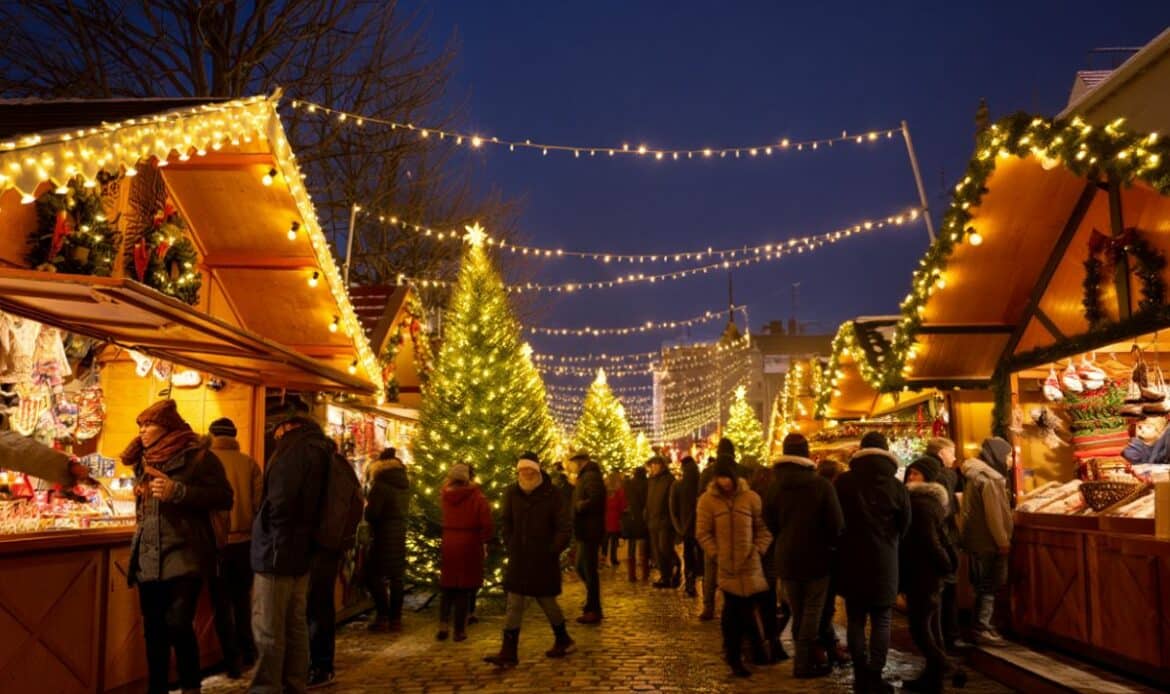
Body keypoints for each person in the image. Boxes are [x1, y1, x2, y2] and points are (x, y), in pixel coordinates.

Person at [124, 400, 233, 694]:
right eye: (141, 425)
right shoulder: (142, 460)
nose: (143, 431)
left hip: (186, 552)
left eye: (149, 425)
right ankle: (157, 688)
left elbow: (224, 497)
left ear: (168, 427)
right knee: (154, 630)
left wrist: (179, 491)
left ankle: (190, 686)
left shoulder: (199, 458)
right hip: (149, 553)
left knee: (178, 623)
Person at [251, 400, 333, 694]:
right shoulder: (321, 449)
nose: (275, 434)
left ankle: (265, 687)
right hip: (303, 551)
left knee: (269, 627)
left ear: (287, 425)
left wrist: (270, 535)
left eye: (276, 428)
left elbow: (281, 503)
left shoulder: (292, 452)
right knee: (296, 624)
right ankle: (294, 683)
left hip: (278, 550)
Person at [834, 432, 911, 694]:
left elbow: (835, 521)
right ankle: (875, 674)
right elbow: (905, 523)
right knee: (882, 619)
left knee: (855, 618)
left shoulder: (844, 482)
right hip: (884, 560)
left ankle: (860, 673)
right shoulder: (895, 485)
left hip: (851, 559)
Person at [484, 453, 575, 668]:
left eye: (530, 470)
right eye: (522, 470)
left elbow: (564, 527)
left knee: (546, 600)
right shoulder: (512, 492)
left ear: (537, 470)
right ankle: (508, 652)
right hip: (519, 557)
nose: (526, 473)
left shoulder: (552, 494)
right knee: (514, 603)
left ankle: (563, 639)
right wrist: (510, 541)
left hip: (543, 557)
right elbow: (506, 520)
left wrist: (552, 549)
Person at [766, 433, 843, 679]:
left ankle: (804, 659)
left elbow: (769, 519)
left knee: (799, 611)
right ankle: (803, 663)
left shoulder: (774, 485)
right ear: (806, 453)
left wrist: (784, 536)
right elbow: (836, 523)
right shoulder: (820, 484)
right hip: (817, 555)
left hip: (787, 556)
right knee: (813, 611)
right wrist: (830, 543)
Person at [696, 458, 775, 678]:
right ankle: (734, 656)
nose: (725, 482)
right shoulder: (707, 501)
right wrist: (716, 553)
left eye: (727, 477)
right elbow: (702, 533)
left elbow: (763, 529)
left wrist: (758, 550)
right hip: (726, 567)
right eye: (720, 477)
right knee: (732, 613)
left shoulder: (751, 498)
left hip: (749, 564)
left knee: (747, 608)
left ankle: (754, 651)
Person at [206, 417, 262, 679]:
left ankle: (231, 660)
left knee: (221, 603)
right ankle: (249, 651)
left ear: (212, 434)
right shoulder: (248, 462)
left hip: (216, 542)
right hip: (245, 542)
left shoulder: (204, 460)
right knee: (242, 600)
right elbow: (260, 501)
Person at [900, 458, 956, 693]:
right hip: (929, 572)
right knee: (933, 627)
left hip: (922, 572)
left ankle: (947, 667)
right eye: (910, 473)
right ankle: (933, 680)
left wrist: (943, 565)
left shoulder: (919, 504)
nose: (911, 478)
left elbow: (929, 541)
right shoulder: (932, 501)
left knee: (919, 628)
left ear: (928, 477)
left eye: (916, 474)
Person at [960, 437, 1014, 645]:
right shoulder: (990, 479)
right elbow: (994, 514)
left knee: (983, 584)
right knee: (990, 584)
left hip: (977, 539)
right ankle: (982, 627)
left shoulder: (974, 476)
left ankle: (981, 626)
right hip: (988, 540)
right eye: (1008, 455)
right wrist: (1002, 540)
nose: (1010, 460)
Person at [914, 437, 963, 650]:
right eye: (952, 452)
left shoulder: (932, 474)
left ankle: (940, 647)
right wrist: (947, 557)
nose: (954, 457)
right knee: (943, 596)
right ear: (942, 452)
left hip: (935, 548)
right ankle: (945, 644)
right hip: (941, 546)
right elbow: (944, 516)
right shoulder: (943, 475)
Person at [438, 462, 493, 641]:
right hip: (469, 543)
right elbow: (487, 523)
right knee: (464, 588)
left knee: (448, 587)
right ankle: (459, 630)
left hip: (449, 542)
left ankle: (443, 625)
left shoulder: (445, 496)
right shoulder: (478, 497)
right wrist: (485, 540)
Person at [364, 448, 410, 632]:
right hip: (399, 533)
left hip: (382, 534)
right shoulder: (403, 484)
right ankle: (396, 619)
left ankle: (383, 616)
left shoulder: (381, 485)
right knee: (396, 577)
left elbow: (372, 514)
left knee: (372, 575)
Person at [815, 455, 851, 668]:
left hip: (816, 555)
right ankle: (824, 647)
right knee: (824, 607)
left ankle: (826, 646)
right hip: (828, 556)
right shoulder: (831, 493)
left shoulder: (817, 491)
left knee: (821, 607)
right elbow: (837, 526)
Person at [568, 451, 606, 624]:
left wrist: (579, 506)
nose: (571, 465)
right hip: (585, 530)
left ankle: (594, 608)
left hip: (590, 530)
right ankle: (591, 602)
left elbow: (597, 499)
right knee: (581, 567)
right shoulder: (584, 476)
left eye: (573, 462)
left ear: (579, 462)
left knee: (588, 569)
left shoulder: (590, 476)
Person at [669, 456, 701, 597]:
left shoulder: (678, 485)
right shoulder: (701, 484)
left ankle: (689, 583)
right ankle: (699, 581)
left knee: (688, 556)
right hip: (700, 527)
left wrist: (678, 527)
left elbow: (673, 509)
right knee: (700, 556)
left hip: (685, 528)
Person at [645, 455, 678, 588]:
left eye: (656, 464)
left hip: (665, 520)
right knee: (657, 551)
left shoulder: (669, 480)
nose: (653, 467)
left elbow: (672, 501)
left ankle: (674, 568)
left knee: (665, 548)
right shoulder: (651, 480)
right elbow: (650, 499)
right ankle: (665, 577)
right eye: (651, 464)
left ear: (662, 465)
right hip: (653, 520)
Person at [697, 456, 719, 619]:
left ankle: (709, 606)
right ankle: (709, 606)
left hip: (728, 543)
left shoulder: (744, 497)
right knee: (710, 574)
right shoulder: (707, 499)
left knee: (711, 575)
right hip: (714, 542)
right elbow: (702, 530)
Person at [623, 465, 650, 582]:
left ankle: (631, 575)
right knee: (643, 546)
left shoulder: (629, 485)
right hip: (643, 519)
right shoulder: (647, 484)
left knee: (631, 546)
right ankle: (645, 574)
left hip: (632, 518)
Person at [603, 469, 627, 568]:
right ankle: (613, 558)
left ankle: (603, 558)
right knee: (613, 541)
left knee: (605, 540)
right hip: (615, 519)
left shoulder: (605, 491)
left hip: (605, 519)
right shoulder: (619, 492)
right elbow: (623, 505)